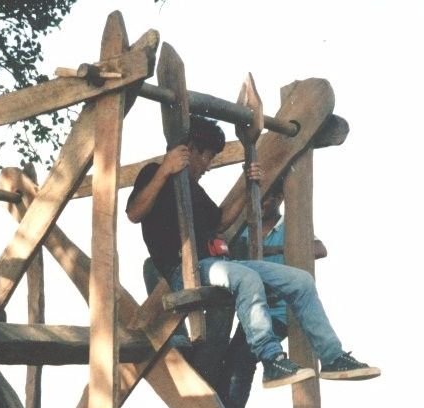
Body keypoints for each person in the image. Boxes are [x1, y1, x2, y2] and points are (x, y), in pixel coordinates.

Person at [126, 115, 380, 391]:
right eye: (207, 157)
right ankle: (271, 360)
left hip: (215, 264)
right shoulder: (154, 173)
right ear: (190, 152)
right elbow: (134, 213)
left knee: (300, 280)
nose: (208, 166)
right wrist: (165, 170)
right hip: (184, 270)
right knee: (246, 278)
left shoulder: (193, 190)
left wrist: (250, 188)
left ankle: (332, 357)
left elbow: (221, 221)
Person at [220, 184, 327, 408]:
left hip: (280, 311)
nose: (259, 204)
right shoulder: (246, 228)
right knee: (232, 363)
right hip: (253, 310)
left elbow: (320, 249)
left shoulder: (291, 226)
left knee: (244, 359)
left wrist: (273, 250)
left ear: (279, 198)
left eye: (266, 198)